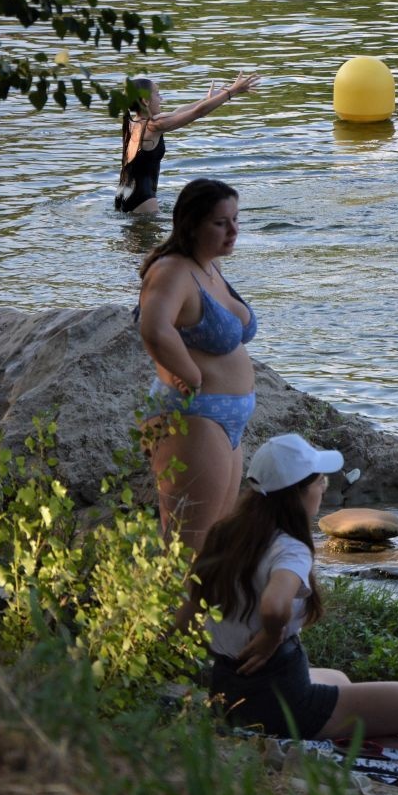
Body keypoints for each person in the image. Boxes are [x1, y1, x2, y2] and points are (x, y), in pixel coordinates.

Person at [187, 433, 398, 743]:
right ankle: (328, 736)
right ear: (299, 494)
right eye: (320, 483)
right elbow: (275, 605)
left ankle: (335, 733)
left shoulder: (226, 534)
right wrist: (270, 637)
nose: (324, 488)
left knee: (339, 679)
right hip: (282, 703)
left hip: (229, 690)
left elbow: (190, 606)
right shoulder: (290, 549)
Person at [136, 177, 255, 551]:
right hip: (192, 417)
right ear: (191, 224)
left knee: (216, 542)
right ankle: (169, 611)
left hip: (223, 419)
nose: (233, 231)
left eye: (236, 219)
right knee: (187, 547)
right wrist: (190, 373)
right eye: (221, 223)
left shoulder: (207, 267)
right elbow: (154, 328)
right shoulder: (172, 270)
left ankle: (203, 612)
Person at [116, 73, 260, 214]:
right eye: (157, 94)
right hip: (143, 201)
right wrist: (232, 91)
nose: (161, 99)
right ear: (145, 101)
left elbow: (177, 112)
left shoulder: (132, 123)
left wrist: (207, 99)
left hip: (123, 196)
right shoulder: (154, 126)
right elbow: (198, 113)